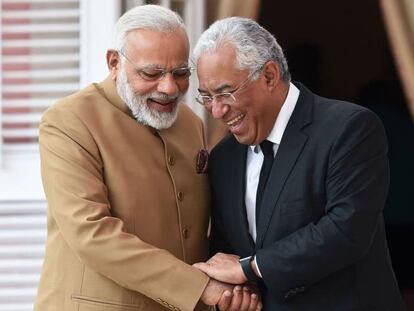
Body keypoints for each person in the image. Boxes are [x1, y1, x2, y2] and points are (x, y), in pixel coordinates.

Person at [34, 6, 261, 311]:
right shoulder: (69, 121)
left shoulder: (190, 123)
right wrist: (202, 287)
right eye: (151, 73)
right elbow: (92, 233)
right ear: (114, 63)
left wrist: (238, 279)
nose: (169, 88)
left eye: (181, 73)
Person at [192, 17, 406, 310]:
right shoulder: (223, 158)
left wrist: (250, 267)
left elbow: (347, 230)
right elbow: (226, 251)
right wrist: (238, 292)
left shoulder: (349, 128)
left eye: (225, 92)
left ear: (269, 76)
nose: (216, 110)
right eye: (207, 96)